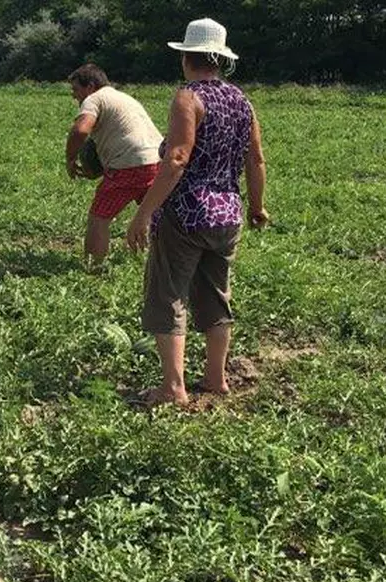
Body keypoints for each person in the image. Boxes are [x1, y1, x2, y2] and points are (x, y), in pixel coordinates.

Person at [126, 18, 268, 408]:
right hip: (228, 215)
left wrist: (143, 214)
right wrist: (257, 206)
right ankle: (215, 378)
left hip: (186, 214)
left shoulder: (188, 97)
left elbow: (176, 159)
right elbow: (255, 159)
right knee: (216, 295)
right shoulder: (242, 100)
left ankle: (173, 388)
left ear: (187, 57)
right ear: (220, 59)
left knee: (168, 293)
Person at [65, 64, 163, 267]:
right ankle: (158, 262)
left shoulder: (94, 99)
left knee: (99, 217)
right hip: (158, 161)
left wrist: (70, 159)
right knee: (156, 216)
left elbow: (80, 131)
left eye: (76, 89)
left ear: (90, 86)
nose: (74, 96)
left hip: (129, 165)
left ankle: (94, 267)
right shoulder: (123, 97)